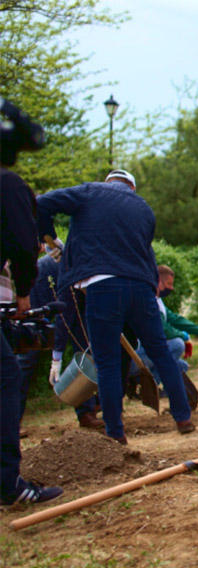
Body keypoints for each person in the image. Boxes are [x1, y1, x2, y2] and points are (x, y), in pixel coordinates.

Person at [36, 169, 195, 444]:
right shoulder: (144, 208)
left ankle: (115, 434)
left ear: (109, 182)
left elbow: (39, 203)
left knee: (107, 362)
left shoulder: (90, 191)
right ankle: (183, 417)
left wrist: (51, 238)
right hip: (142, 289)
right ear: (132, 188)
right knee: (160, 352)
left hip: (103, 287)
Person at [1, 97, 63, 505]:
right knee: (5, 381)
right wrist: (24, 292)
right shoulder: (8, 185)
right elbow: (24, 245)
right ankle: (8, 484)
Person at [16, 247, 102, 428]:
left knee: (84, 346)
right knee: (31, 347)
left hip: (77, 290)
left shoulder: (104, 275)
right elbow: (64, 317)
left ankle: (86, 413)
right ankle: (11, 421)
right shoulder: (76, 268)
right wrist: (57, 356)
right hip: (45, 281)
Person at [133, 265, 198, 394]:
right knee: (176, 345)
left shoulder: (157, 300)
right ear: (157, 281)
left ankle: (161, 391)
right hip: (134, 355)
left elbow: (176, 319)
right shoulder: (146, 300)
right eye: (169, 284)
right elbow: (162, 329)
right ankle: (143, 386)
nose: (171, 288)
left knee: (181, 366)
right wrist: (183, 337)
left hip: (147, 352)